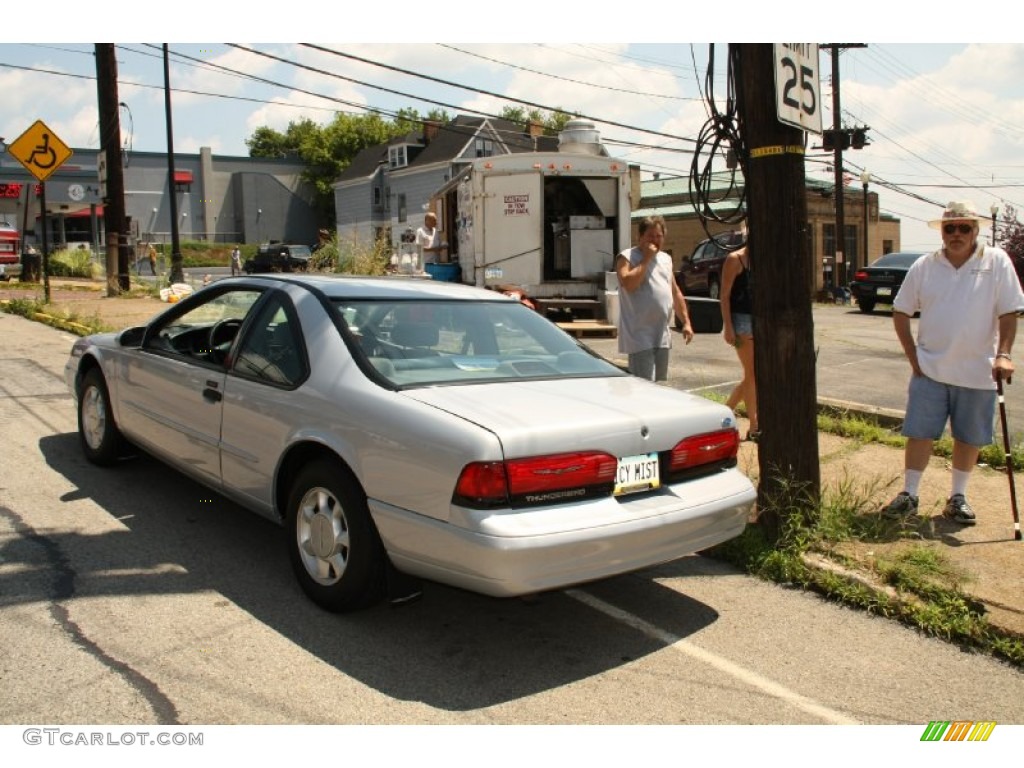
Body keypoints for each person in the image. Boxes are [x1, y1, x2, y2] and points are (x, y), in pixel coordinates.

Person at [882, 200, 1024, 526]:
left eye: (964, 228)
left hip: (978, 371)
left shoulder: (996, 261)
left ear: (975, 230)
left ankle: (958, 497)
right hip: (930, 369)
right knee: (919, 432)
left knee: (969, 437)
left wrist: (1003, 354)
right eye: (950, 228)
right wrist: (911, 355)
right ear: (942, 232)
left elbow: (1008, 312)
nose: (956, 234)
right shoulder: (925, 265)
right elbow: (901, 310)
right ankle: (910, 494)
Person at [614, 215, 693, 382]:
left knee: (661, 386)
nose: (655, 240)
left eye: (659, 236)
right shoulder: (627, 257)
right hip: (639, 336)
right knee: (644, 387)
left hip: (662, 334)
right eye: (650, 236)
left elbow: (675, 292)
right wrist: (647, 259)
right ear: (640, 237)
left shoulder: (666, 259)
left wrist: (686, 322)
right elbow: (628, 284)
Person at [720, 238, 758, 441]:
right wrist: (728, 327)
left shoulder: (762, 260)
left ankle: (726, 410)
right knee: (751, 373)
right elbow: (724, 295)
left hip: (759, 319)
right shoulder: (735, 259)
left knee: (754, 375)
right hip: (741, 320)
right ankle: (754, 426)